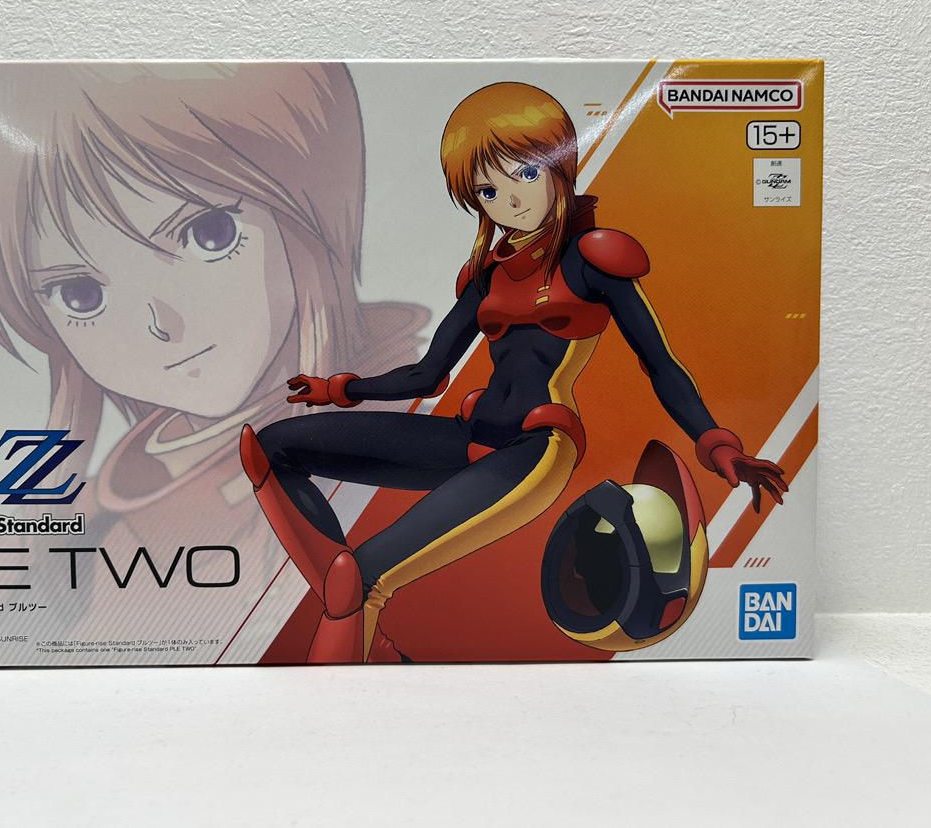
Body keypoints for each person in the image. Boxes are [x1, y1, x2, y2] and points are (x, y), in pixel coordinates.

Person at [241, 81, 787, 663]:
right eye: (488, 189)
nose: (511, 199)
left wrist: (717, 443)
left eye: (526, 173)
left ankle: (349, 634)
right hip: (469, 436)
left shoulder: (592, 259)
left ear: (559, 168)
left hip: (536, 449)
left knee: (363, 579)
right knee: (272, 449)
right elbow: (428, 375)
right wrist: (338, 389)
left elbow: (661, 364)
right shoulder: (487, 275)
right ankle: (365, 633)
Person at [0, 62, 422, 662]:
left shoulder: (404, 426)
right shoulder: (99, 508)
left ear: (303, 201)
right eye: (80, 293)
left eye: (209, 234)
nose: (160, 323)